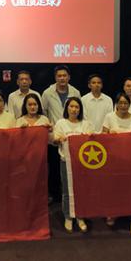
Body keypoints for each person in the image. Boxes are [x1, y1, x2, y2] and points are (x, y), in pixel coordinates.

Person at [101, 92, 131, 237]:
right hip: (113, 160)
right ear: (116, 104)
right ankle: (113, 213)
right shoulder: (109, 117)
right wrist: (109, 136)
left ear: (129, 105)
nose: (123, 106)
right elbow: (102, 137)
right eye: (120, 103)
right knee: (114, 188)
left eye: (126, 103)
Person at [53, 97, 94, 233]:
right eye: (71, 106)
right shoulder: (61, 123)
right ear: (67, 108)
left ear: (80, 109)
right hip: (66, 162)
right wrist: (59, 139)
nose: (74, 109)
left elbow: (91, 141)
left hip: (82, 163)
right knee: (67, 191)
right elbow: (55, 140)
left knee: (81, 190)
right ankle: (68, 216)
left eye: (77, 107)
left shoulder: (86, 124)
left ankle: (80, 216)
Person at [42, 65, 81, 202]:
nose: (62, 78)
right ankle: (55, 195)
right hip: (55, 135)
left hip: (71, 135)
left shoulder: (75, 92)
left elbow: (79, 110)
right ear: (55, 77)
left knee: (72, 167)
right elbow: (44, 112)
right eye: (59, 76)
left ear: (69, 77)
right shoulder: (47, 93)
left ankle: (72, 194)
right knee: (54, 167)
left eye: (64, 75)